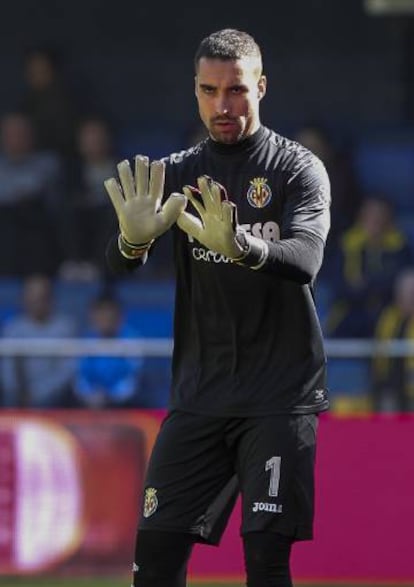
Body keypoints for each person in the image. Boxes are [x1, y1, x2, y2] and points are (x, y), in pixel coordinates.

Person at [104, 29, 331, 587]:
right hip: (200, 395)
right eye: (209, 91)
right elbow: (116, 265)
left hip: (278, 397)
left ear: (261, 87)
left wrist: (245, 247)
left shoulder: (298, 169)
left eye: (236, 90)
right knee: (153, 559)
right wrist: (131, 242)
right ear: (196, 91)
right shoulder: (176, 172)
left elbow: (306, 259)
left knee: (265, 561)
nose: (223, 105)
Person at [324, 195, 413, 338]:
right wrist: (379, 283)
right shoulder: (346, 244)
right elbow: (340, 288)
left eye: (380, 215)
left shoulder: (400, 246)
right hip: (350, 314)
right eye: (370, 214)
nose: (375, 220)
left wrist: (365, 284)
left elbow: (401, 287)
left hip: (388, 313)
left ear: (388, 219)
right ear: (361, 216)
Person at [0, 274, 77, 407]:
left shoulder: (65, 327)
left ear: (51, 299)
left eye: (41, 298)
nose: (36, 303)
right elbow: (8, 369)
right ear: (24, 299)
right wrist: (16, 392)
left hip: (56, 399)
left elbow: (67, 370)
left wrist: (39, 393)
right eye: (32, 297)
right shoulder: (13, 328)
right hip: (18, 399)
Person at [74, 291, 144, 408]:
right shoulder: (85, 340)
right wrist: (89, 395)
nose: (106, 318)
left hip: (123, 403)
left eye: (110, 313)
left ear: (119, 316)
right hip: (89, 402)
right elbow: (80, 377)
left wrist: (110, 397)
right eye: (101, 313)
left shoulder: (132, 340)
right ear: (93, 316)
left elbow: (132, 379)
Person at [371, 267, 414, 412]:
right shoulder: (389, 315)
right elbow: (379, 345)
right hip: (389, 384)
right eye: (403, 291)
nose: (406, 296)